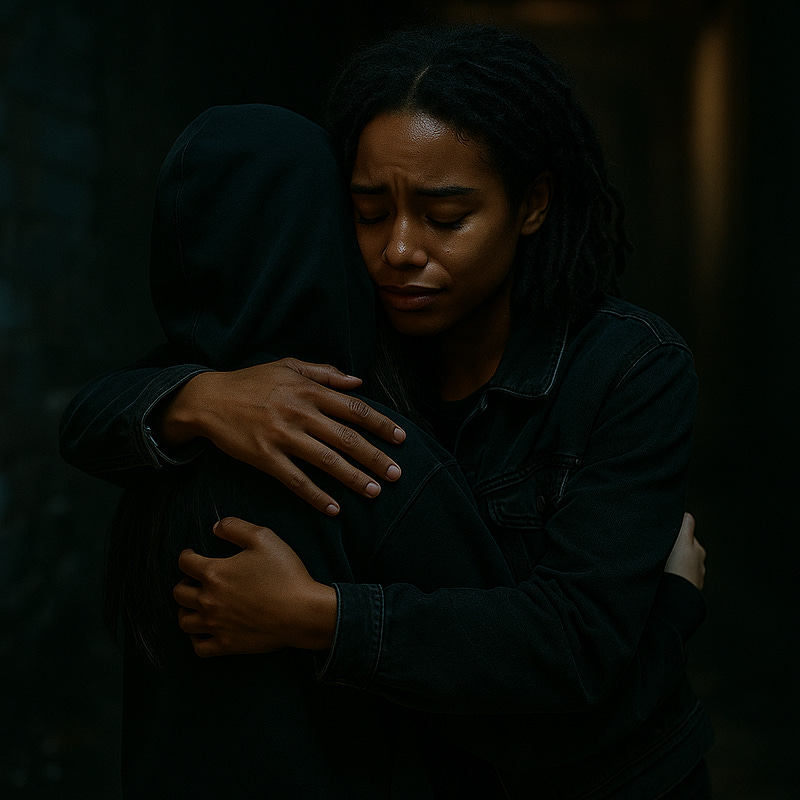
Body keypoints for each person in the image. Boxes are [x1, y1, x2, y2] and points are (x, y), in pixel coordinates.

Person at [60, 24, 712, 798]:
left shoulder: (629, 368)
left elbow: (568, 650)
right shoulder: (346, 339)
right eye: (370, 212)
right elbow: (92, 417)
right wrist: (197, 397)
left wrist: (320, 617)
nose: (400, 250)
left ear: (531, 204)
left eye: (445, 216)